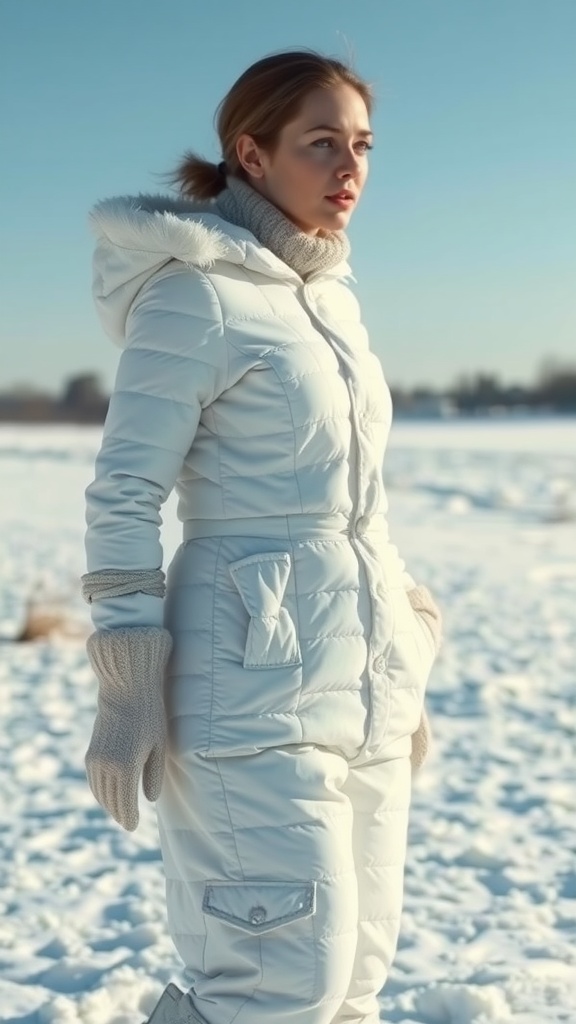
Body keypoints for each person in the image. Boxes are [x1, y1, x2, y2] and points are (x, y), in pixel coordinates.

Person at [82, 49, 443, 1024]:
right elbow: (122, 495)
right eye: (320, 142)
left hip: (359, 678)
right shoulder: (193, 296)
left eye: (361, 144)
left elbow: (356, 506)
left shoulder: (332, 304)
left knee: (357, 974)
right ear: (249, 152)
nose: (349, 167)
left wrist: (403, 641)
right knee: (276, 981)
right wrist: (126, 674)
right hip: (245, 681)